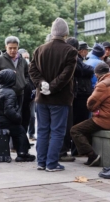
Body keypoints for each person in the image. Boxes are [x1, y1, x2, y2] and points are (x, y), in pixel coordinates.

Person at [29, 17, 77, 172]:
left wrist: (41, 83)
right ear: (66, 33)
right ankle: (52, 163)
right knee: (57, 131)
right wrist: (52, 87)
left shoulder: (40, 49)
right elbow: (66, 74)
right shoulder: (70, 51)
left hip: (41, 98)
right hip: (60, 98)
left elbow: (32, 70)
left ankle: (41, 162)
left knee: (42, 130)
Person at [70, 62, 110, 167]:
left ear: (97, 74)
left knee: (75, 130)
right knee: (86, 128)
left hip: (105, 120)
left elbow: (90, 103)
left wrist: (94, 109)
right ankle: (88, 152)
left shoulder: (103, 85)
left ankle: (91, 156)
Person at [60, 37, 94, 161]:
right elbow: (82, 70)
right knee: (77, 123)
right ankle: (74, 150)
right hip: (78, 95)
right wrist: (91, 69)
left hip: (75, 94)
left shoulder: (68, 57)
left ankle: (72, 149)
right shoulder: (73, 58)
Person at [0, 69, 36, 162]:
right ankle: (22, 154)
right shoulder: (9, 92)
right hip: (7, 121)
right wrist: (18, 118)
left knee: (18, 131)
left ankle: (22, 153)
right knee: (20, 132)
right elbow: (9, 110)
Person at [0, 36, 29, 113]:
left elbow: (27, 74)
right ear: (6, 47)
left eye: (15, 48)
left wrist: (24, 83)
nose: (12, 50)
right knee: (7, 116)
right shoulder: (0, 59)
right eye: (10, 48)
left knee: (19, 116)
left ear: (18, 47)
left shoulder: (22, 60)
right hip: (5, 94)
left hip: (20, 93)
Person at [18, 48, 36, 140]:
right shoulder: (20, 68)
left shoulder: (32, 67)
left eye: (28, 57)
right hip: (22, 96)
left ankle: (31, 134)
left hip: (32, 96)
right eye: (25, 57)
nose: (27, 59)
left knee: (32, 116)